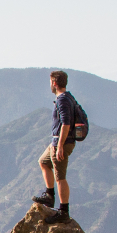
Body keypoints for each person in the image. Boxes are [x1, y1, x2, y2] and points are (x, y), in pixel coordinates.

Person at [31, 70, 77, 223]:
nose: (50, 85)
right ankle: (49, 196)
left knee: (60, 177)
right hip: (56, 142)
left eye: (50, 82)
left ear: (55, 83)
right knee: (43, 162)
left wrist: (61, 146)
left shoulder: (63, 100)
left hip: (61, 143)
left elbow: (66, 123)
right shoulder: (66, 97)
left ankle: (64, 211)